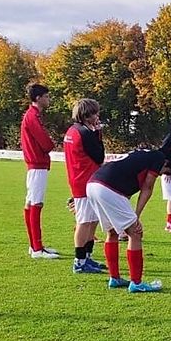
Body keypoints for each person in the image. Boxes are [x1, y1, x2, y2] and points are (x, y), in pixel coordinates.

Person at [86, 148, 171, 293]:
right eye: (164, 170)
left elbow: (123, 183)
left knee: (112, 232)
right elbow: (147, 188)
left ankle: (115, 278)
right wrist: (136, 216)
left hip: (93, 184)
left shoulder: (142, 155)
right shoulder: (159, 157)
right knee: (135, 233)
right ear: (165, 162)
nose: (160, 174)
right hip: (107, 188)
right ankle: (136, 283)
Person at [63, 98, 107, 274]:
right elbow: (99, 156)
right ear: (87, 115)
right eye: (95, 113)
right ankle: (80, 261)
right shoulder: (85, 133)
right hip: (85, 180)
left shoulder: (72, 130)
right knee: (84, 222)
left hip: (80, 178)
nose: (97, 116)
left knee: (92, 220)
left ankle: (87, 257)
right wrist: (98, 134)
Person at [21, 83, 59, 259]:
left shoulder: (31, 115)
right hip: (37, 164)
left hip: (35, 164)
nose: (48, 99)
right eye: (46, 96)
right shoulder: (33, 116)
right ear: (38, 98)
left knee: (31, 203)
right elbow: (45, 142)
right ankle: (37, 248)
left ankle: (34, 245)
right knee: (36, 204)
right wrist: (50, 145)